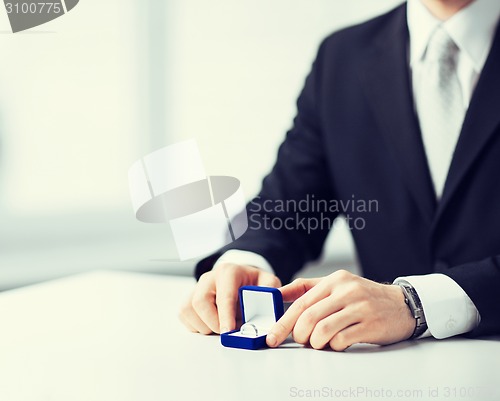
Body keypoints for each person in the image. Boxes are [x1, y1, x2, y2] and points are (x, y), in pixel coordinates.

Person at [179, 0, 500, 351]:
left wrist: (417, 303)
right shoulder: (342, 57)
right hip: (383, 370)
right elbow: (288, 208)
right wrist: (242, 263)